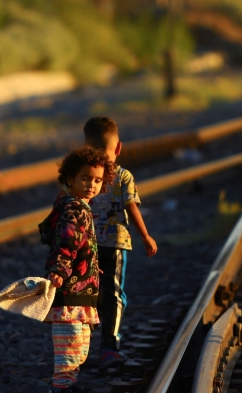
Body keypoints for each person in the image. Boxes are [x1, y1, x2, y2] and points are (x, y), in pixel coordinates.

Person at [81, 116, 158, 369]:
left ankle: (83, 348)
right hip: (114, 244)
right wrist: (145, 236)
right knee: (113, 294)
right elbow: (131, 207)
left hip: (89, 245)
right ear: (119, 147)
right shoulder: (123, 175)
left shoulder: (84, 176)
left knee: (91, 292)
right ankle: (109, 349)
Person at [40, 146, 115, 393]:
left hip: (82, 289)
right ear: (70, 178)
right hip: (70, 291)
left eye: (97, 180)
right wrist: (59, 271)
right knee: (70, 347)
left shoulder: (80, 206)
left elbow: (80, 246)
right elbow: (67, 241)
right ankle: (62, 387)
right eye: (85, 178)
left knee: (79, 347)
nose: (92, 185)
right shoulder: (74, 209)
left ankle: (68, 383)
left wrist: (92, 267)